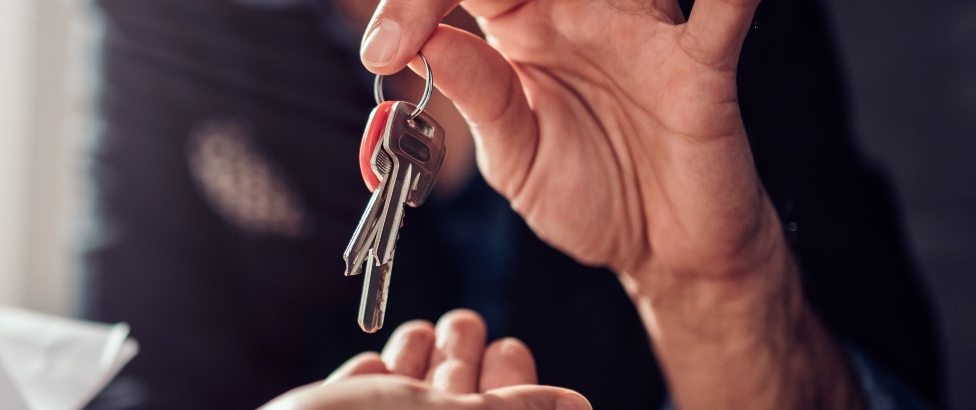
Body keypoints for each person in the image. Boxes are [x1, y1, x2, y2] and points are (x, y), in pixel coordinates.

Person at [85, 0, 942, 408]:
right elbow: (136, 372)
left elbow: (902, 383)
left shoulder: (705, 23)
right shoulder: (170, 23)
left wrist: (711, 295)